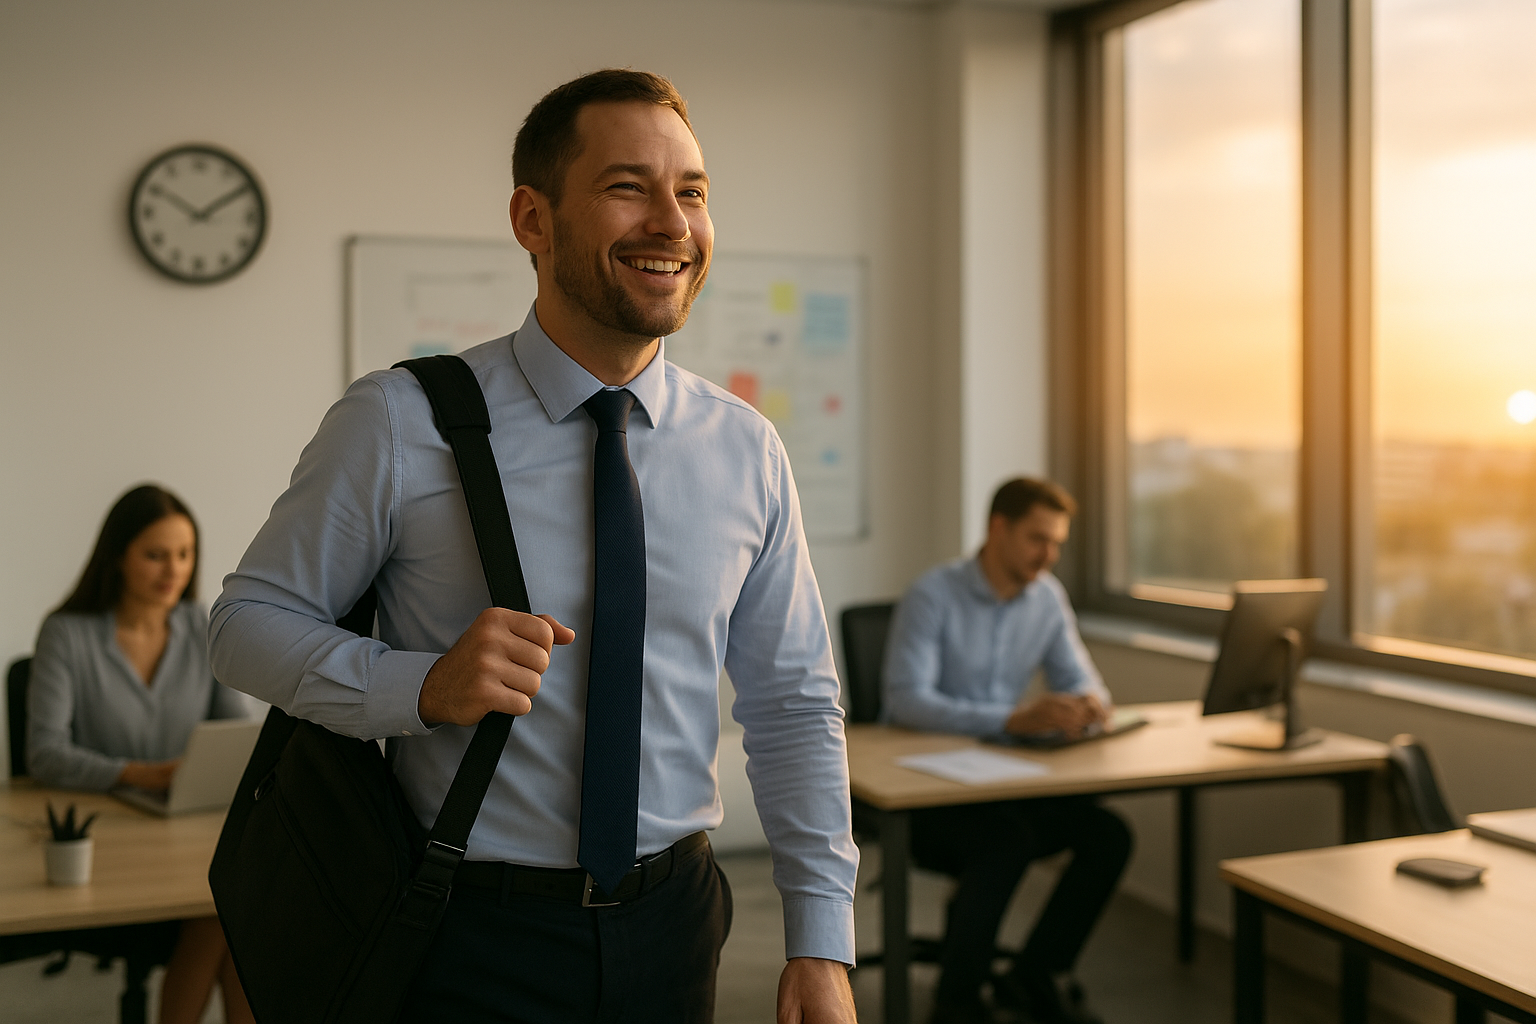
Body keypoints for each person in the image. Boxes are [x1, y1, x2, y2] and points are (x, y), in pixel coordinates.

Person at [209, 70, 858, 1024]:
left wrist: (821, 939)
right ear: (532, 219)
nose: (672, 223)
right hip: (464, 930)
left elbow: (793, 704)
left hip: (677, 926)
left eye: (692, 192)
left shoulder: (746, 449)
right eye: (628, 186)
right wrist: (420, 686)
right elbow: (243, 625)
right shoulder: (400, 421)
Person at [882, 477, 1132, 1024]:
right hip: (928, 791)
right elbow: (906, 701)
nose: (1049, 555)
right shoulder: (933, 594)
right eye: (1038, 539)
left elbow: (1085, 682)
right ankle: (957, 1002)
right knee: (1004, 841)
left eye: (1057, 543)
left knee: (1108, 835)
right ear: (999, 528)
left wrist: (1087, 706)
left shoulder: (1047, 598)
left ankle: (1034, 976)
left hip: (1007, 779)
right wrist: (1010, 719)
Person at [28, 484, 255, 1024]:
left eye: (184, 554)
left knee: (232, 907)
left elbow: (236, 732)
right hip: (108, 833)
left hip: (183, 829)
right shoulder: (67, 634)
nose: (173, 570)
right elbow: (44, 754)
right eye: (155, 555)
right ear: (117, 556)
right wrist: (139, 774)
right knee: (222, 910)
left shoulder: (201, 625)